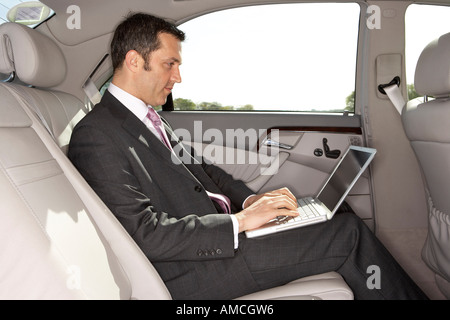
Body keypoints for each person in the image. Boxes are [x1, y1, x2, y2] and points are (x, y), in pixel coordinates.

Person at [68, 12, 428, 300]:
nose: (178, 76)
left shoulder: (149, 118)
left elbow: (207, 172)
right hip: (190, 270)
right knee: (346, 233)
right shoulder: (96, 134)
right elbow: (143, 233)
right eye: (169, 64)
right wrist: (240, 224)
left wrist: (253, 202)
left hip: (221, 240)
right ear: (134, 61)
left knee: (334, 210)